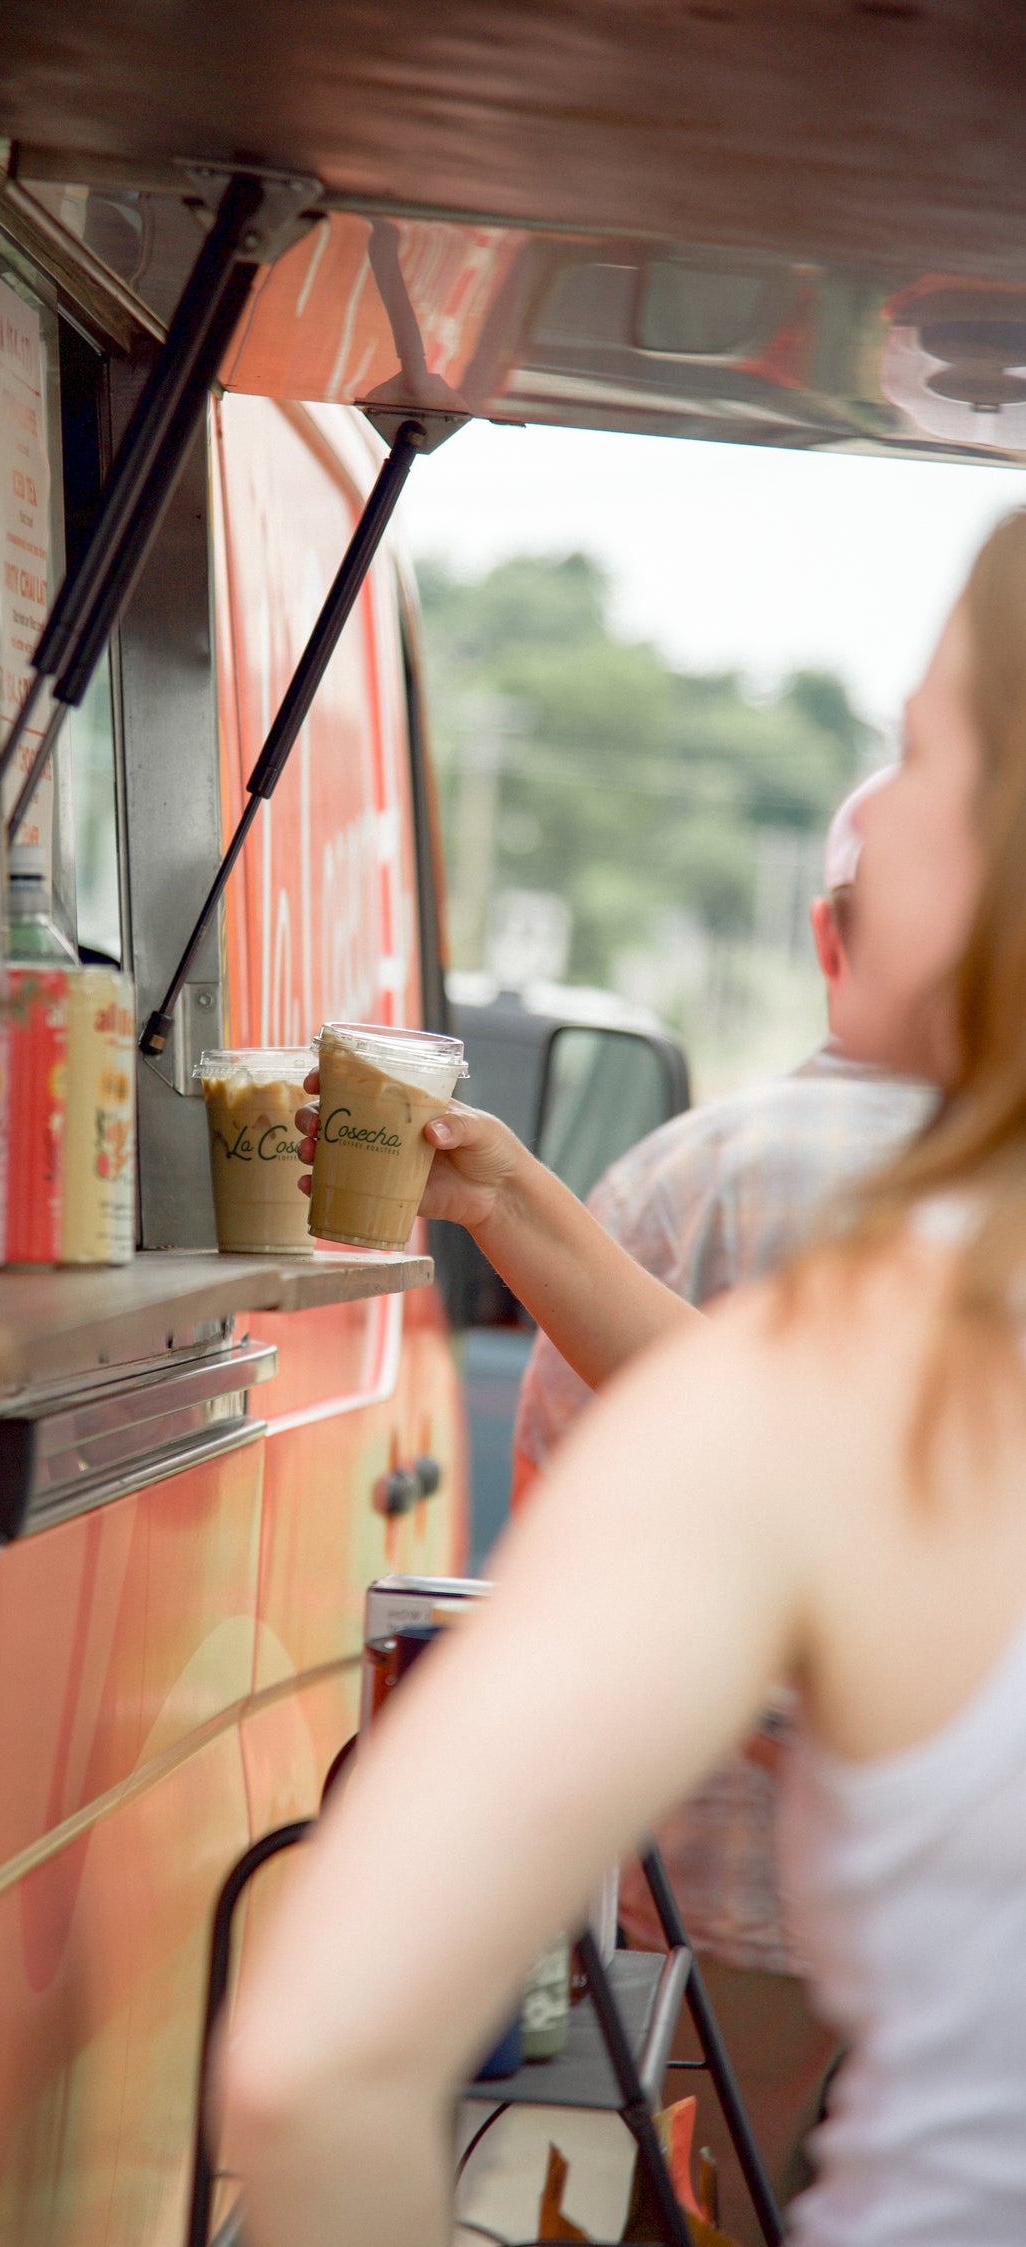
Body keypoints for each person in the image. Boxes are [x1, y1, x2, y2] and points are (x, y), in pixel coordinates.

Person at [219, 509, 1026, 2247]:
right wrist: (510, 1193)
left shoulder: (859, 1378)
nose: (877, 813)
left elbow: (321, 2061)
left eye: (927, 752)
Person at [507, 775, 936, 2239]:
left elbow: (561, 1525)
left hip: (705, 1890)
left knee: (693, 2208)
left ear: (829, 935)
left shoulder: (671, 1180)